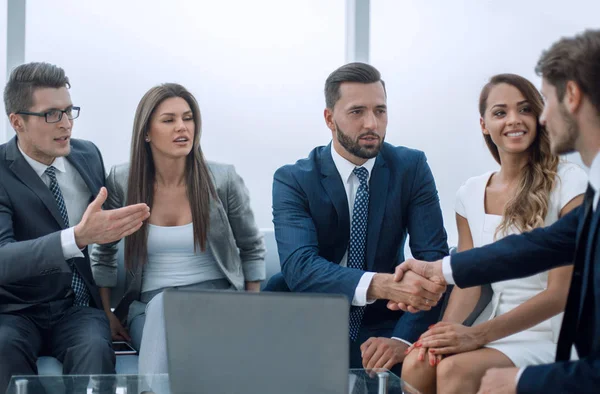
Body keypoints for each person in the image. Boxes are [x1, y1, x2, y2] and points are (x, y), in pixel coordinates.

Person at [394, 29, 600, 393]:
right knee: (418, 363)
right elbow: (471, 282)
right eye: (500, 112)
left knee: (456, 372)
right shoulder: (471, 192)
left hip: (546, 329)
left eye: (529, 108)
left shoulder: (572, 183)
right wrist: (440, 335)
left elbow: (558, 290)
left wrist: (475, 336)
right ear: (484, 124)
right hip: (491, 322)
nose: (516, 120)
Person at [266, 62, 448, 371]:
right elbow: (300, 268)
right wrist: (382, 284)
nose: (372, 124)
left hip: (386, 321)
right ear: (329, 118)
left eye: (380, 111)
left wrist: (403, 341)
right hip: (308, 316)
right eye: (357, 112)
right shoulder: (293, 179)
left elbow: (434, 262)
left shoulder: (411, 167)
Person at [91, 83, 266, 374]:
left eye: (188, 118)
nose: (182, 127)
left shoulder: (222, 179)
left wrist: (251, 308)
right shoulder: (123, 180)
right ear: (146, 132)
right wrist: (106, 314)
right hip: (149, 307)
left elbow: (251, 246)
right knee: (163, 307)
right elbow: (103, 252)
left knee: (198, 342)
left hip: (217, 300)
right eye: (169, 120)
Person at [0, 62, 150, 393]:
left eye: (69, 111)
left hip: (77, 308)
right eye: (52, 114)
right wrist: (77, 237)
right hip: (14, 310)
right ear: (17, 122)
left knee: (95, 349)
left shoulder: (87, 155)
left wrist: (109, 306)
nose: (66, 124)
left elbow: (107, 237)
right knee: (3, 349)